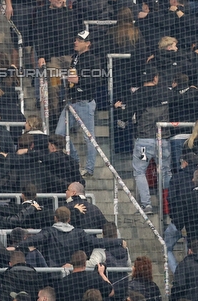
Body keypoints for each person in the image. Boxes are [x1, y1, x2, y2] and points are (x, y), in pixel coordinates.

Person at [115, 67, 171, 215]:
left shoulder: (137, 94)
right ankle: (168, 205)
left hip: (144, 143)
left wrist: (118, 110)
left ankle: (147, 205)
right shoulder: (166, 91)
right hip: (163, 141)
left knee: (140, 171)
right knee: (165, 171)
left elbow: (123, 120)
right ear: (155, 78)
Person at [55, 29, 105, 178]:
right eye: (76, 39)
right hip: (71, 102)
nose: (75, 41)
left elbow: (98, 80)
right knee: (59, 134)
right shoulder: (75, 57)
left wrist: (79, 80)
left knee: (88, 137)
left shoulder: (93, 60)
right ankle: (76, 161)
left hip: (84, 103)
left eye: (79, 40)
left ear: (88, 44)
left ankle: (89, 168)